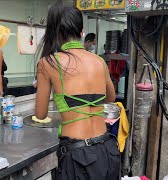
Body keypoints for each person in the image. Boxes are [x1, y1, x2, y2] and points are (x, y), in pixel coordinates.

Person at [34, 1, 120, 179]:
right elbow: (111, 98)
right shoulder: (99, 61)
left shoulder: (48, 63)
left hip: (78, 158)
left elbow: (41, 114)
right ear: (81, 32)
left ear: (55, 32)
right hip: (106, 150)